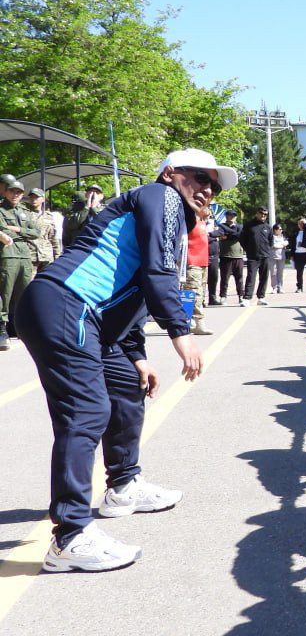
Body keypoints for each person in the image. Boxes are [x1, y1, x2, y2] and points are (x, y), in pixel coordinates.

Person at [16, 147, 232, 572]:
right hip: (67, 303)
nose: (208, 190)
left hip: (94, 319)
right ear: (171, 173)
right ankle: (70, 536)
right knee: (86, 413)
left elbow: (130, 293)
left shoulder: (173, 218)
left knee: (127, 388)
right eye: (201, 178)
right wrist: (180, 333)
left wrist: (136, 355)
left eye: (214, 186)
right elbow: (155, 274)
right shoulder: (159, 196)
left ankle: (123, 485)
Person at [0, 174, 40, 348]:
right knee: (5, 293)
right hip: (7, 254)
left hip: (25, 255)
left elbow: (36, 232)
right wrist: (22, 232)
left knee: (22, 293)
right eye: (12, 191)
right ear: (6, 192)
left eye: (18, 192)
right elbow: (2, 230)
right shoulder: (1, 210)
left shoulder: (25, 211)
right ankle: (2, 329)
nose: (15, 194)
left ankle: (18, 327)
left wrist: (17, 229)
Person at [186, 205, 213, 336]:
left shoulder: (203, 222)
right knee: (194, 293)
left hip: (203, 262)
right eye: (206, 207)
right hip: (192, 261)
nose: (208, 210)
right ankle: (199, 322)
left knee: (201, 292)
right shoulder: (189, 221)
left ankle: (188, 321)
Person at [239, 206, 272, 306]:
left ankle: (261, 297)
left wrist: (267, 250)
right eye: (261, 213)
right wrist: (249, 249)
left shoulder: (268, 227)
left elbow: (271, 241)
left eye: (265, 214)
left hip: (265, 256)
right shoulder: (249, 225)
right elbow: (242, 239)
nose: (263, 216)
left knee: (264, 277)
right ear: (257, 213)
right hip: (253, 256)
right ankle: (247, 298)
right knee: (251, 276)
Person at [24, 188, 62, 273]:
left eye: (36, 197)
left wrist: (57, 256)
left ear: (43, 199)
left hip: (46, 256)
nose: (34, 200)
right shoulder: (24, 214)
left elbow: (53, 238)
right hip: (30, 255)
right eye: (32, 197)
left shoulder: (48, 216)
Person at [61, 183, 104, 248]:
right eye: (90, 192)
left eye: (97, 193)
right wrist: (86, 208)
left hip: (97, 245)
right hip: (79, 244)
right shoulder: (76, 208)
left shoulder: (105, 209)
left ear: (101, 196)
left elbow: (103, 223)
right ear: (86, 194)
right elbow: (72, 225)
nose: (93, 195)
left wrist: (94, 208)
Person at [217, 209, 245, 305]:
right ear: (226, 216)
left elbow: (239, 235)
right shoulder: (221, 226)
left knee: (239, 278)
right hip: (225, 256)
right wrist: (232, 235)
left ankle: (241, 296)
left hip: (238, 256)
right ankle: (223, 296)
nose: (231, 217)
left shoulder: (240, 226)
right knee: (224, 278)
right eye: (229, 215)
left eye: (233, 215)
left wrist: (228, 235)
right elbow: (222, 235)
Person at [269, 223, 288, 295]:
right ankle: (274, 287)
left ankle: (280, 287)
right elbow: (273, 245)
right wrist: (281, 245)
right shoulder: (271, 237)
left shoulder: (283, 236)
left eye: (281, 229)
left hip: (281, 256)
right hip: (272, 257)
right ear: (275, 230)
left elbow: (286, 243)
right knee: (273, 273)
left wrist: (281, 245)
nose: (281, 230)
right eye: (279, 229)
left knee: (280, 273)